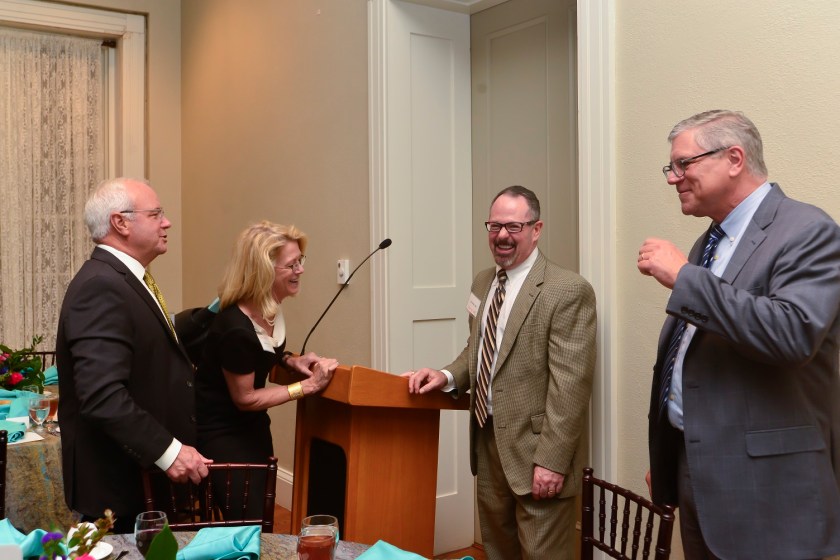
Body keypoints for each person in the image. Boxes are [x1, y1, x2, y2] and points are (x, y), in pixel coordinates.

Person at [638, 110, 840, 559]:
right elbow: (697, 356)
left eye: (683, 164)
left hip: (767, 488)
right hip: (699, 467)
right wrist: (671, 454)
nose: (674, 178)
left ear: (733, 158)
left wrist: (686, 279)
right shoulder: (710, 241)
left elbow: (792, 334)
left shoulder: (808, 230)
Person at [405, 186, 596, 560]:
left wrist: (552, 461)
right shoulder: (483, 282)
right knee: (497, 551)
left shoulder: (567, 290)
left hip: (538, 450)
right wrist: (446, 376)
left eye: (513, 226)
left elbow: (570, 387)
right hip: (488, 440)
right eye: (494, 226)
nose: (502, 236)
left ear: (536, 229)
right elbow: (478, 349)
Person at [56, 177, 212, 533]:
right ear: (120, 223)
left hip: (138, 477)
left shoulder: (123, 278)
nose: (167, 222)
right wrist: (170, 451)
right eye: (156, 214)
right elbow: (102, 396)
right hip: (119, 480)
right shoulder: (101, 285)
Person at [195, 221, 337, 517]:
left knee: (260, 513)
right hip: (223, 434)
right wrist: (306, 387)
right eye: (291, 264)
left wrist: (288, 360)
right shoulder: (235, 327)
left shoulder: (269, 308)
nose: (300, 270)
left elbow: (261, 351)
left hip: (254, 428)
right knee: (246, 519)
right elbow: (245, 398)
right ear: (264, 270)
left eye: (301, 261)